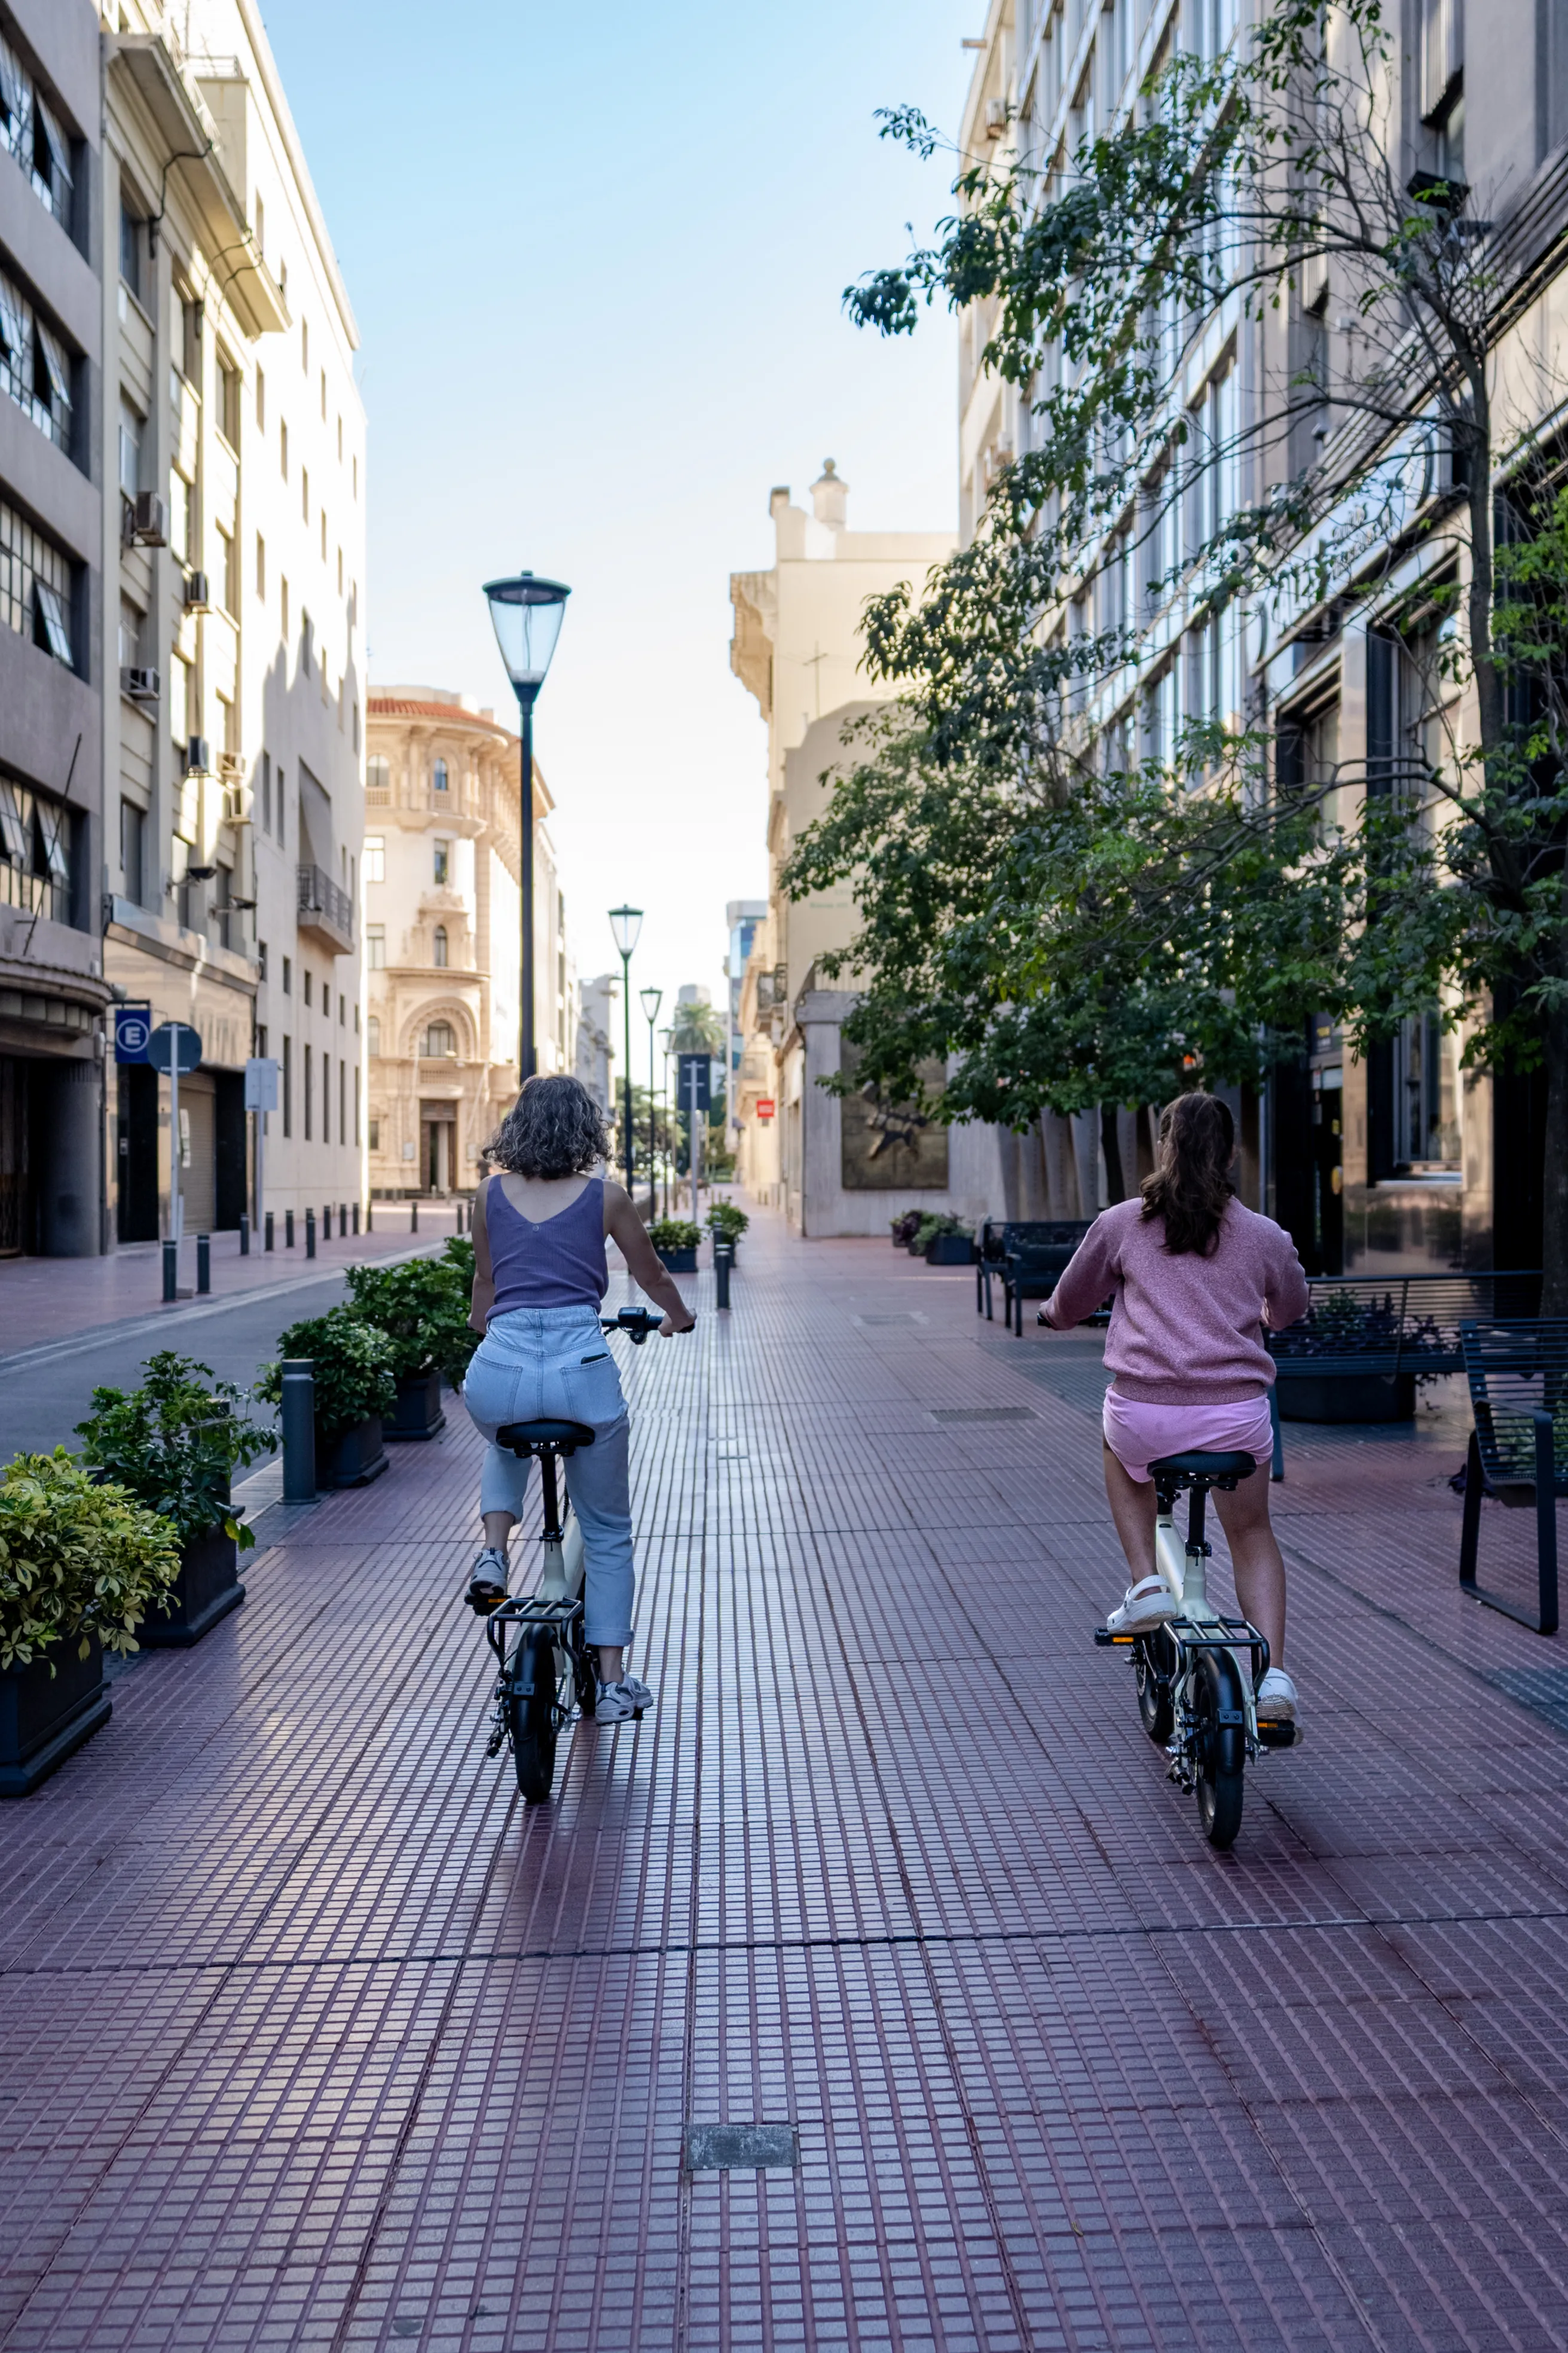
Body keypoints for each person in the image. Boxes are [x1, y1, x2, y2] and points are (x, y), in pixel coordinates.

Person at [1040, 1091, 1310, 1726]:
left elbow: (1071, 1302)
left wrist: (1053, 1316)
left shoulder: (1122, 1223)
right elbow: (1291, 1306)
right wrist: (1267, 1313)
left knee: (1116, 1447)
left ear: (1164, 1146)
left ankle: (1145, 1584)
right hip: (1237, 1421)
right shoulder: (1264, 1235)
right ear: (1231, 1152)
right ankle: (1270, 1678)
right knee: (1250, 1533)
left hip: (1145, 1416)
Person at [461, 1073, 695, 1723]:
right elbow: (650, 1273)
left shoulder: (486, 1195)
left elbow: (487, 1279)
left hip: (501, 1363)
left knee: (500, 1426)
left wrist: (486, 1329)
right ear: (586, 1129)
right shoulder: (607, 1198)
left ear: (519, 1125)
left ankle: (493, 1550)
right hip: (581, 1369)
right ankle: (615, 1682)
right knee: (609, 1529)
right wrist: (678, 1316)